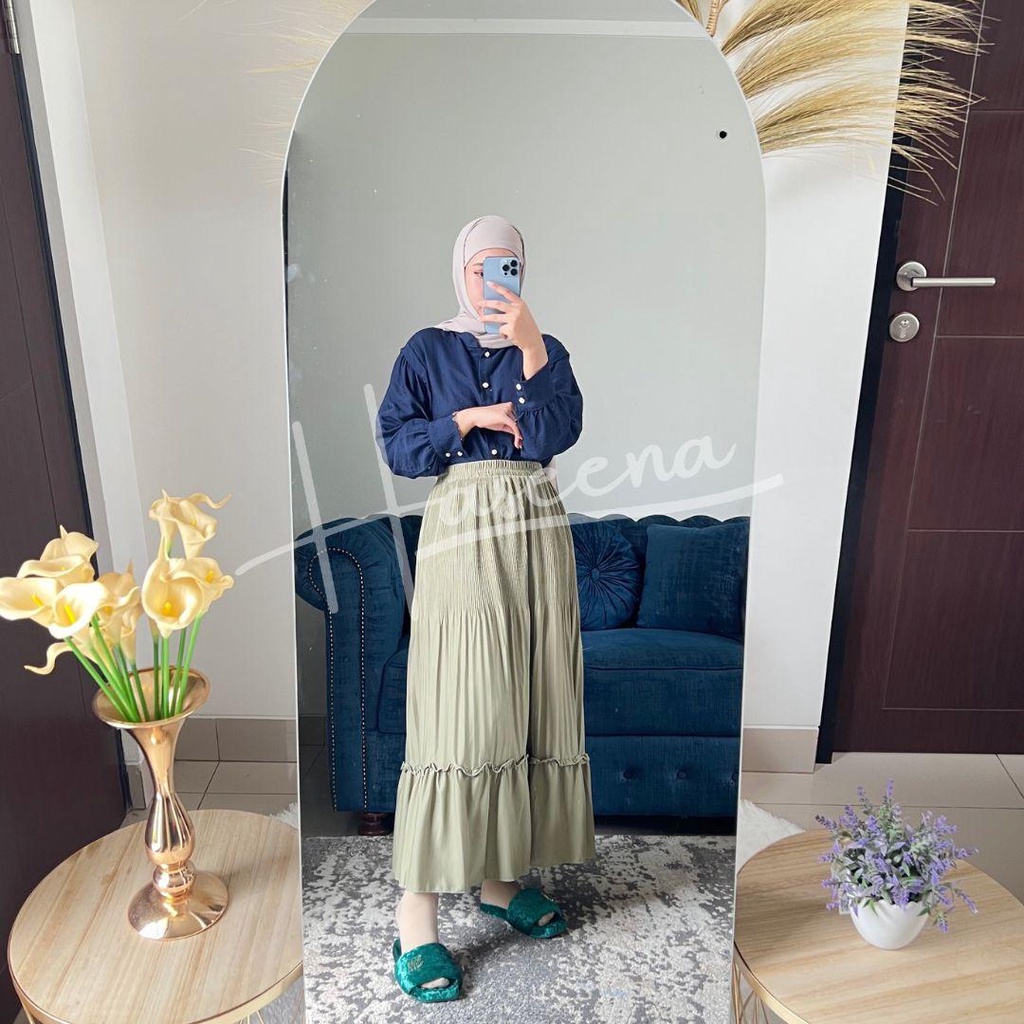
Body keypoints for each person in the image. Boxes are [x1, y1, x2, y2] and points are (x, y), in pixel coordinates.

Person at [375, 214, 597, 1002]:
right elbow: (397, 447)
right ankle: (417, 916)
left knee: (529, 699)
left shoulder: (546, 348)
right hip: (463, 528)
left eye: (510, 267)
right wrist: (463, 421)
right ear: (461, 270)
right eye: (482, 268)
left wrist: (533, 351)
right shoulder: (425, 349)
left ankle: (501, 884)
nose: (495, 282)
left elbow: (558, 430)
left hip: (536, 527)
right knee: (461, 710)